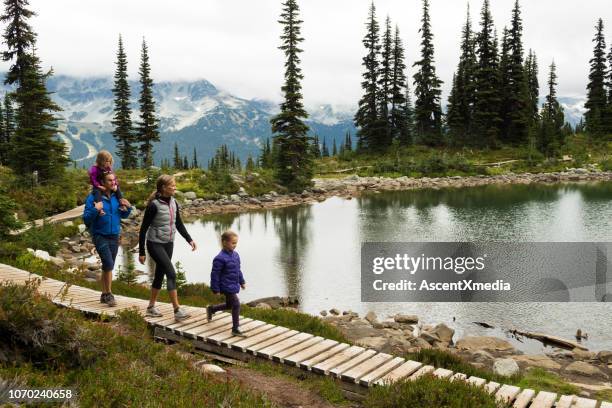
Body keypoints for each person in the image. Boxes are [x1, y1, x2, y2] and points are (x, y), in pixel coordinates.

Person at [138, 174, 197, 322]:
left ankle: (151, 307)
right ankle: (177, 309)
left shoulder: (174, 203)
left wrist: (189, 239)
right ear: (164, 188)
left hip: (169, 243)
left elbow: (179, 224)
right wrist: (141, 251)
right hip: (154, 243)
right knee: (171, 273)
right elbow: (143, 229)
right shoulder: (154, 205)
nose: (175, 187)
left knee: (160, 274)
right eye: (172, 185)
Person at [82, 171, 132, 307]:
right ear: (103, 183)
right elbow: (86, 218)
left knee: (108, 266)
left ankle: (104, 294)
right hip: (99, 235)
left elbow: (123, 215)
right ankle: (109, 294)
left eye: (114, 180)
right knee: (109, 263)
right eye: (110, 180)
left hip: (114, 235)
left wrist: (128, 208)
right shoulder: (93, 198)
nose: (113, 182)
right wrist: (95, 209)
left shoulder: (116, 197)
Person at [206, 230, 247, 337]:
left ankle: (211, 309)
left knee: (230, 305)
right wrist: (215, 289)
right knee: (236, 304)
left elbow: (238, 270)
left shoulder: (236, 255)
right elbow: (214, 275)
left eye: (236, 243)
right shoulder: (219, 258)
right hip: (225, 285)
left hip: (233, 284)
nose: (235, 245)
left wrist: (241, 281)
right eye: (233, 243)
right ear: (224, 242)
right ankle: (235, 328)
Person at [88, 150, 129, 215]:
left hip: (107, 185)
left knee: (117, 189)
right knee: (97, 193)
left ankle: (122, 203)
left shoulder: (108, 168)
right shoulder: (94, 169)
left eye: (109, 161)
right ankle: (100, 209)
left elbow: (113, 177)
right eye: (107, 161)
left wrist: (115, 184)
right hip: (98, 186)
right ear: (101, 160)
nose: (108, 163)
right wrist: (99, 186)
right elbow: (93, 179)